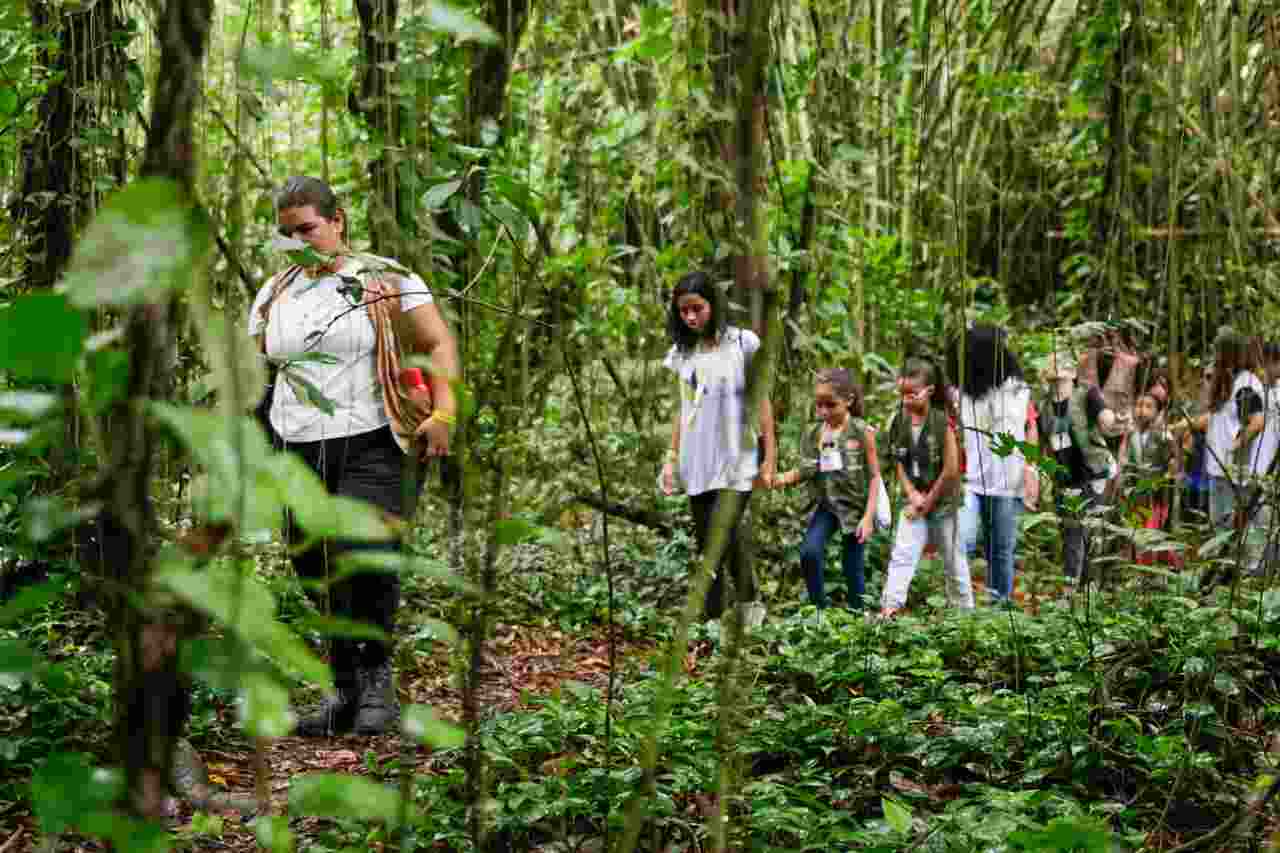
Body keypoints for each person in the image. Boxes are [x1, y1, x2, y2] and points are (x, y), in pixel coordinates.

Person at [249, 176, 460, 736]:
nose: (298, 241)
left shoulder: (386, 279)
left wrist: (444, 412)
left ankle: (376, 686)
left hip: (372, 437)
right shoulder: (275, 295)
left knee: (364, 553)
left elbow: (437, 341)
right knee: (314, 566)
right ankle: (343, 690)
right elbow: (255, 373)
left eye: (308, 229)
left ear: (337, 220)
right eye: (286, 234)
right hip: (293, 444)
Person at [659, 271, 775, 628]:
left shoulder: (743, 343)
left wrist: (770, 457)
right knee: (707, 539)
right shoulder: (683, 354)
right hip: (698, 458)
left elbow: (763, 401)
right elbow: (682, 409)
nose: (691, 317)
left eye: (697, 308)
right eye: (684, 311)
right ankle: (730, 610)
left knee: (720, 533)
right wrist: (671, 458)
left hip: (738, 455)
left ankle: (734, 608)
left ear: (714, 304)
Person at [774, 368, 881, 611]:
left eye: (830, 405)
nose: (823, 411)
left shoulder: (863, 432)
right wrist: (779, 479)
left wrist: (868, 517)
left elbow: (875, 477)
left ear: (848, 401)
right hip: (827, 506)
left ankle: (858, 619)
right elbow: (805, 469)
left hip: (855, 509)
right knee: (809, 553)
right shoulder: (814, 433)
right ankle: (819, 612)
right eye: (819, 405)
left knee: (852, 569)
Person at [945, 325, 1038, 604]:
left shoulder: (1016, 390)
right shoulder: (962, 393)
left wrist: (1031, 469)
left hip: (1008, 483)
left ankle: (999, 610)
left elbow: (1030, 426)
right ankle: (963, 608)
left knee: (1000, 551)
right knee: (961, 542)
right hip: (973, 481)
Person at [879, 359, 972, 616]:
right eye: (903, 394)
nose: (907, 399)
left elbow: (951, 470)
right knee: (902, 555)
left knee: (954, 562)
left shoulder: (943, 422)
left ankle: (966, 617)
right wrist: (912, 494)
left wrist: (927, 502)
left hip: (942, 503)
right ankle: (889, 610)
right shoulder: (899, 421)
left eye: (913, 394)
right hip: (913, 501)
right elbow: (898, 460)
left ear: (930, 390)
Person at [1039, 349, 1128, 586]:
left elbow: (1105, 417)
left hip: (1095, 474)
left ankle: (1084, 589)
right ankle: (1076, 589)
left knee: (1087, 532)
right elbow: (1041, 447)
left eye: (1062, 364)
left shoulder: (1086, 394)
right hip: (1066, 480)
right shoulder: (1044, 407)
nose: (1056, 367)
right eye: (1052, 362)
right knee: (1072, 533)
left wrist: (1115, 420)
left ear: (1072, 371)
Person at [1117, 390, 1177, 565]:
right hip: (1134, 491)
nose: (1142, 410)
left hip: (1155, 493)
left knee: (1151, 533)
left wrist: (1165, 480)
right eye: (1139, 405)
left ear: (1158, 411)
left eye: (1148, 407)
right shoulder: (1132, 433)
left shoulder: (1163, 434)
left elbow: (1173, 462)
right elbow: (1125, 458)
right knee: (1135, 531)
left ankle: (1151, 569)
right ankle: (1137, 565)